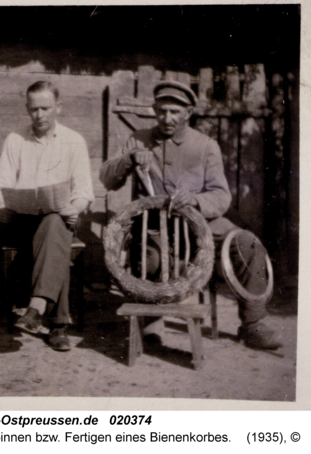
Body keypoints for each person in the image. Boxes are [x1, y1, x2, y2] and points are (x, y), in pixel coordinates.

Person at [99, 80, 282, 350]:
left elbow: (221, 196)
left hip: (203, 224)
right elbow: (106, 178)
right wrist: (130, 159)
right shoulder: (138, 139)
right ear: (154, 110)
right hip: (156, 225)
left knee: (248, 244)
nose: (167, 118)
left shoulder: (205, 145)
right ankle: (151, 322)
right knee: (147, 256)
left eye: (175, 111)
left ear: (189, 112)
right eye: (161, 111)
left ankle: (253, 324)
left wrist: (195, 200)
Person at [0, 81, 94, 351]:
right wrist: (1, 205)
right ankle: (58, 325)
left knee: (55, 223)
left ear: (58, 106)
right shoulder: (16, 140)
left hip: (61, 218)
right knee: (55, 234)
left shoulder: (74, 141)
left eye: (46, 108)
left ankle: (36, 308)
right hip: (22, 223)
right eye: (34, 109)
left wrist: (75, 207)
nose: (40, 115)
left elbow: (84, 191)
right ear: (27, 109)